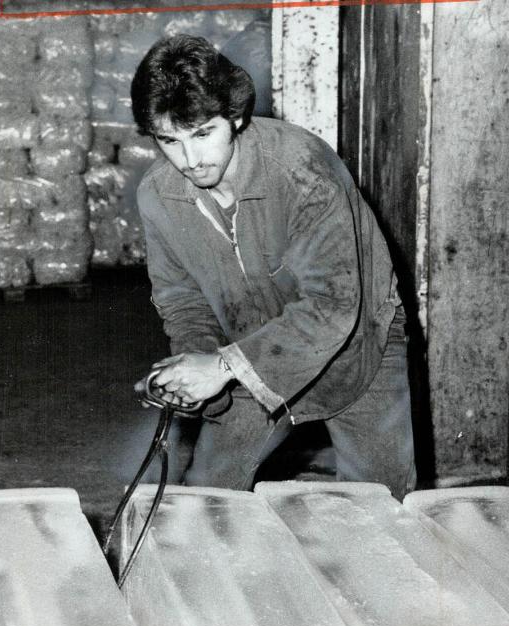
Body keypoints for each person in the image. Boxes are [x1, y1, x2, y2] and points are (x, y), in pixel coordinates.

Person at [130, 35, 416, 499]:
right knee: (207, 500)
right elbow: (182, 299)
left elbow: (332, 306)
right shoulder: (159, 196)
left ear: (236, 117)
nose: (190, 159)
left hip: (359, 341)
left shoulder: (302, 172)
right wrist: (195, 371)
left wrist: (221, 366)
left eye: (203, 133)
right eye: (169, 140)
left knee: (383, 509)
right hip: (252, 349)